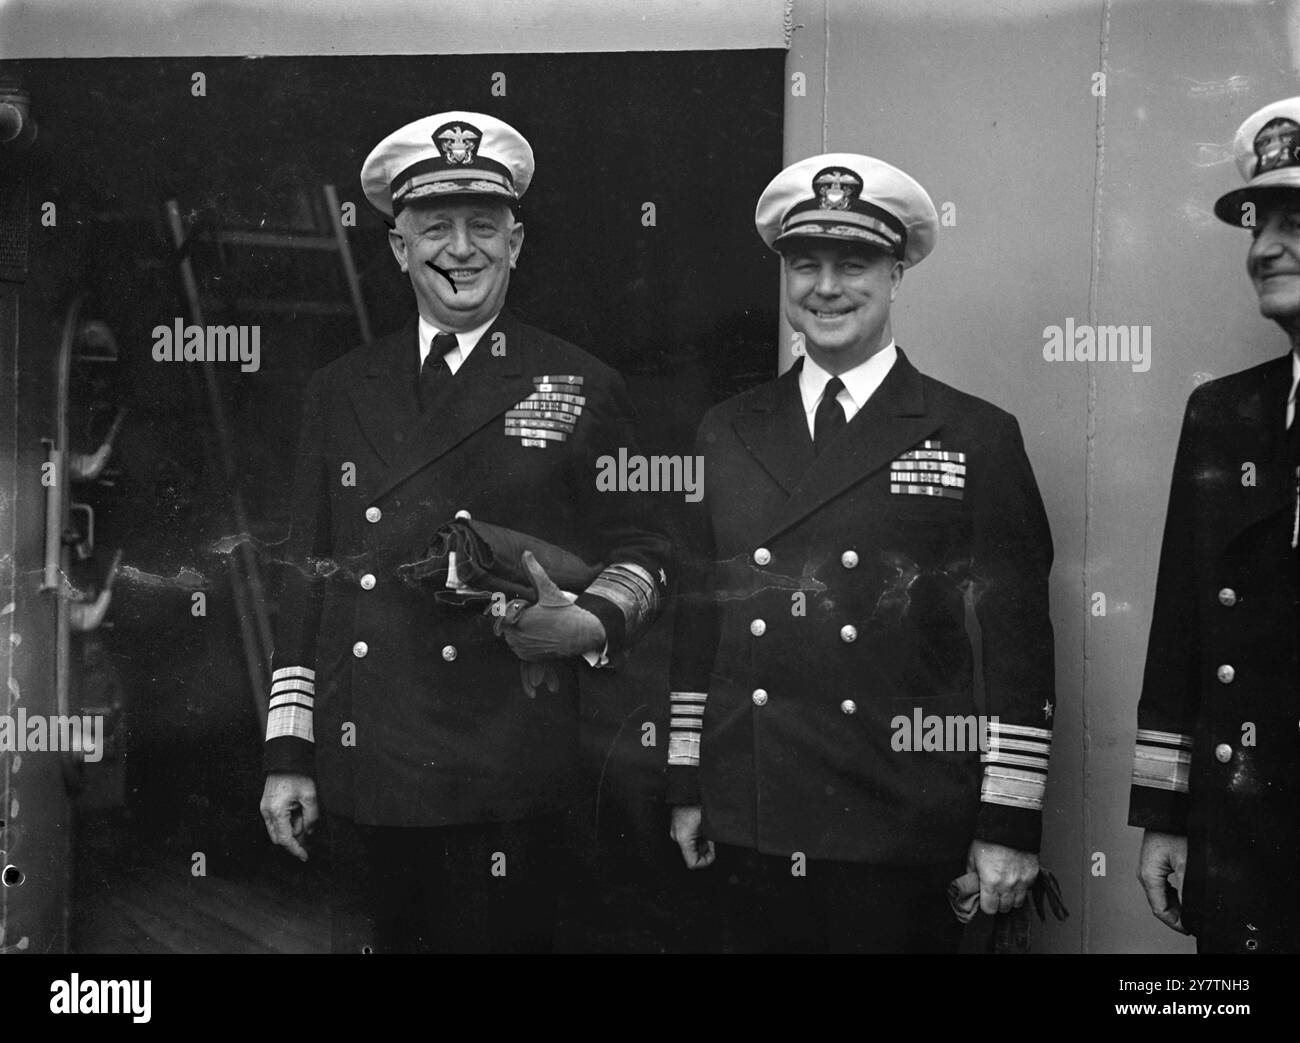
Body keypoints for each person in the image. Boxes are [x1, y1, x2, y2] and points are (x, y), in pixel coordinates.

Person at [257, 111, 669, 953]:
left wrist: (588, 621)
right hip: (366, 770)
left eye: (484, 226)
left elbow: (649, 554)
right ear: (398, 247)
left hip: (507, 779)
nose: (461, 248)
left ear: (516, 243)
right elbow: (310, 581)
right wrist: (289, 754)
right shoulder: (339, 390)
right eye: (434, 227)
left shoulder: (580, 383)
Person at [665, 153, 1057, 953]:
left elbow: (1019, 644)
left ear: (897, 274)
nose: (828, 287)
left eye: (855, 264)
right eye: (805, 265)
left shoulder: (974, 433)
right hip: (753, 817)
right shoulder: (726, 430)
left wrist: (1009, 821)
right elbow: (697, 626)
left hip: (898, 824)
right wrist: (685, 781)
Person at [1130, 96, 1300, 955]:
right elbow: (1182, 634)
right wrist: (1167, 813)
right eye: (1257, 223)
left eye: (1295, 218)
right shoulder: (1225, 413)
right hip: (1245, 847)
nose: (1264, 247)